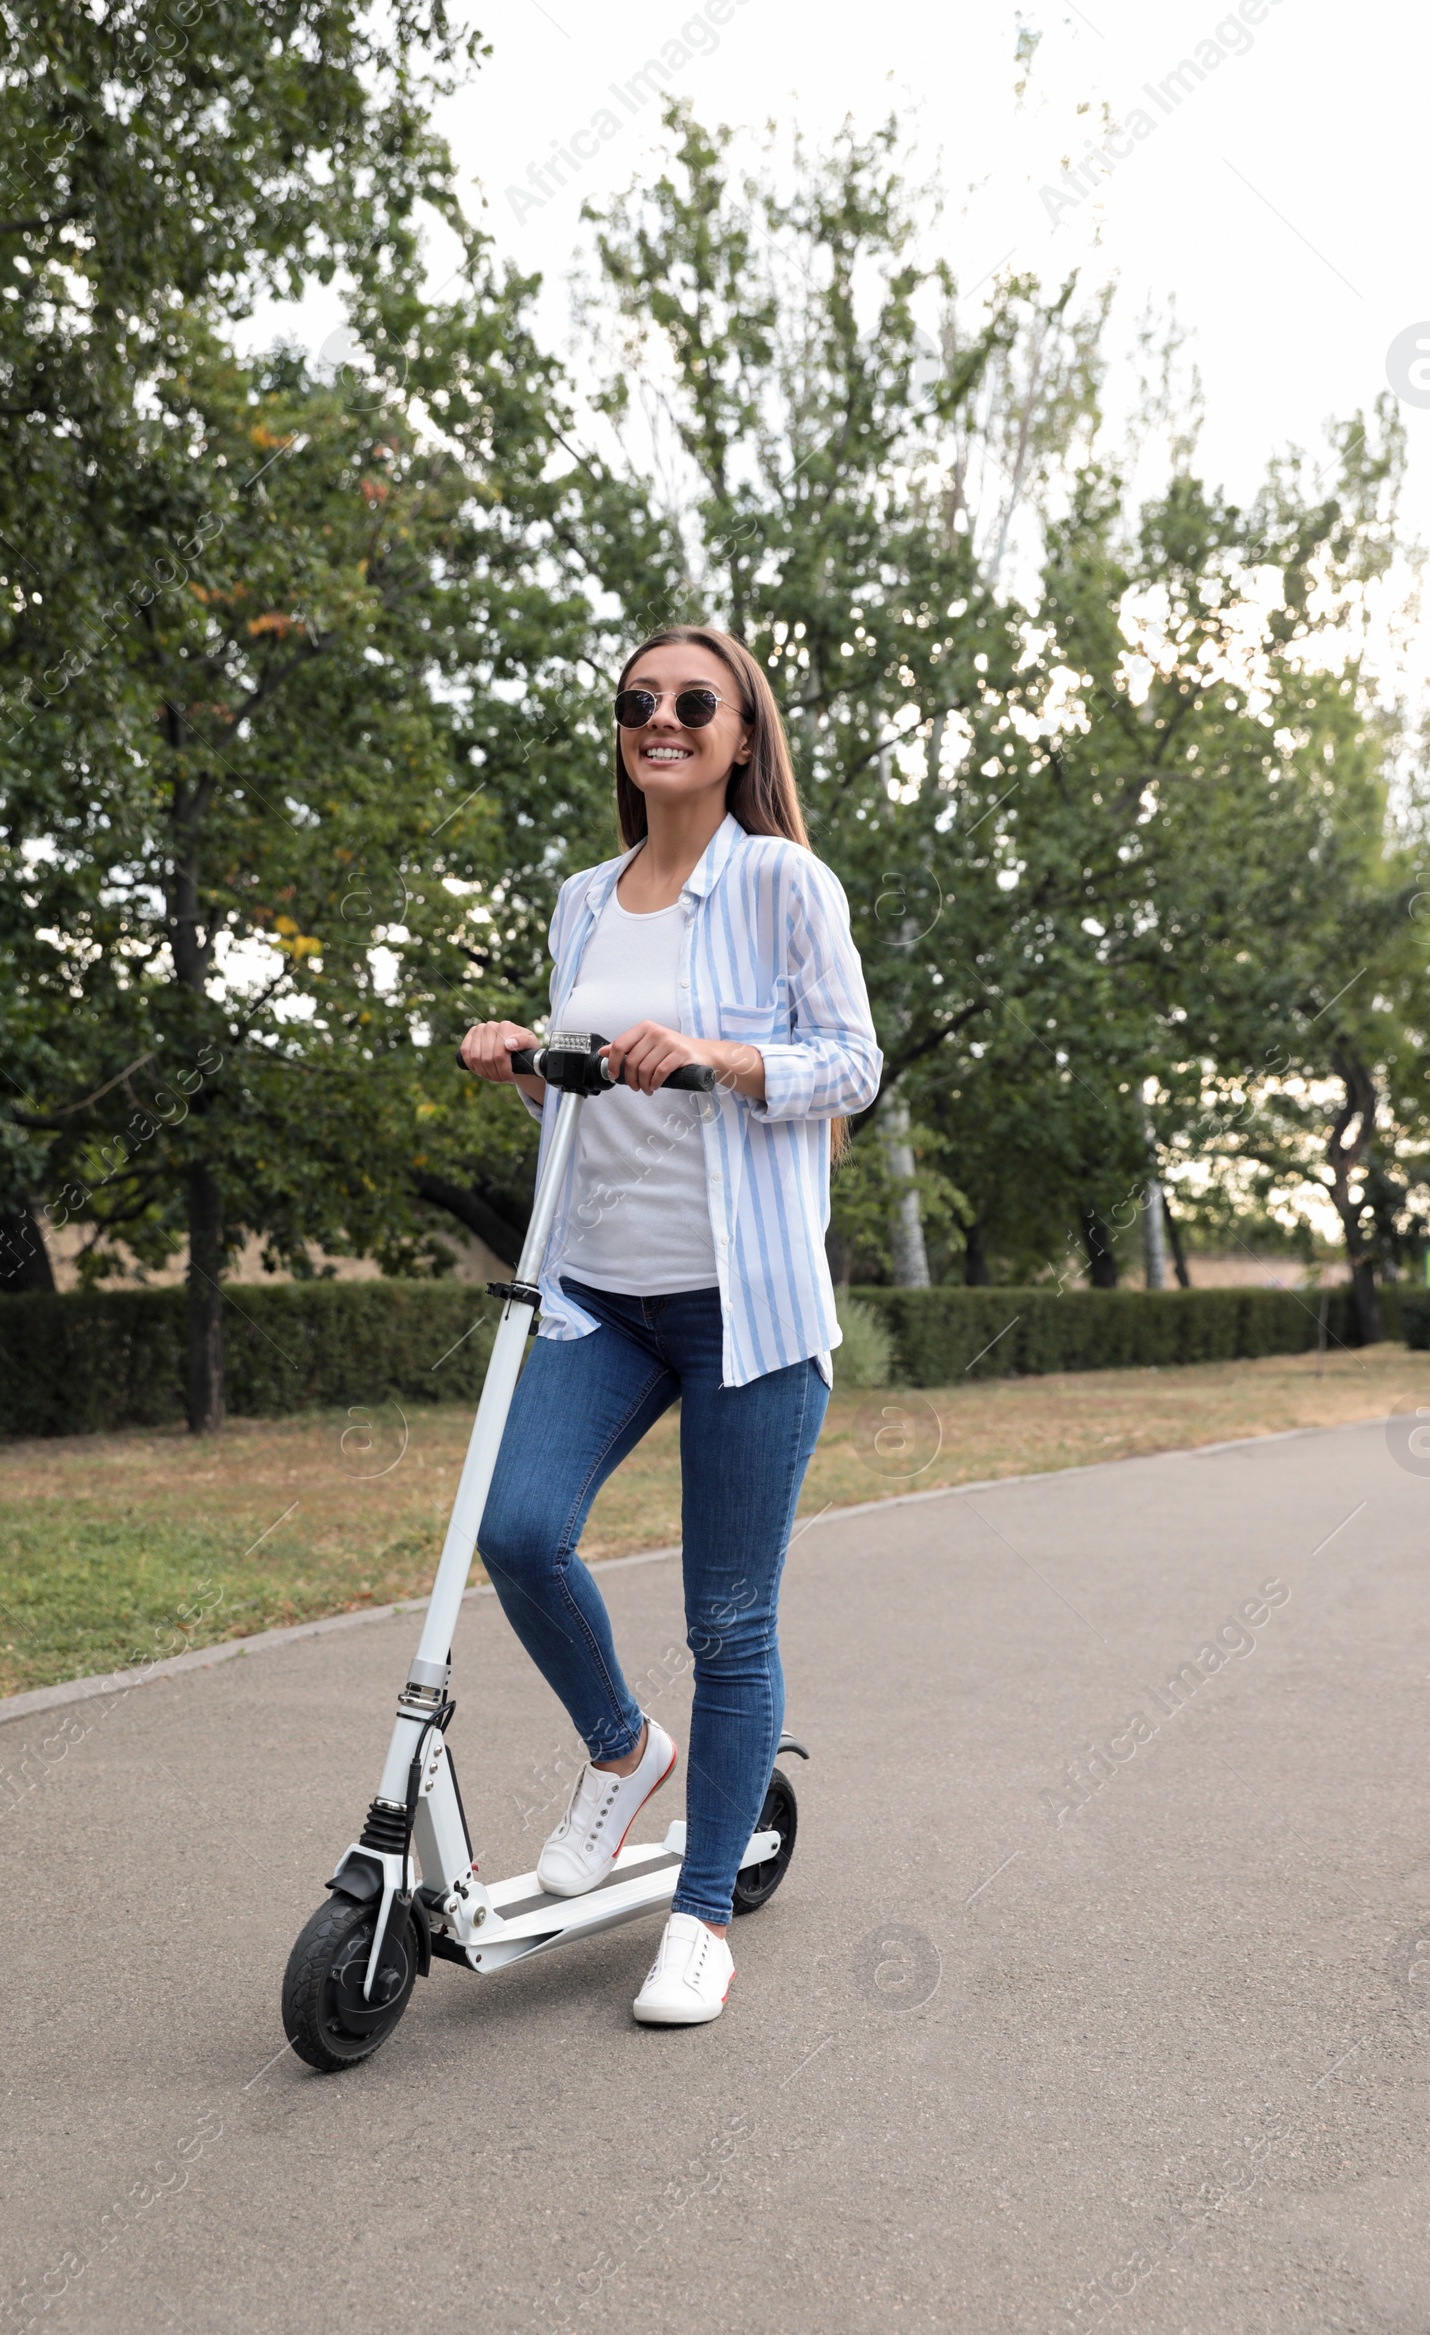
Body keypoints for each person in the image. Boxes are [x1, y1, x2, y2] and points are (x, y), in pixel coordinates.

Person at [460, 623, 881, 2025]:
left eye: (694, 702)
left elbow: (852, 1066)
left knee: (728, 1619)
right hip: (603, 1293)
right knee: (517, 1531)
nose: (662, 718)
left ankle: (704, 1913)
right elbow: (589, 1083)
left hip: (746, 1309)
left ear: (743, 734)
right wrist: (524, 1058)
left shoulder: (781, 884)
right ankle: (621, 1749)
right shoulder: (586, 897)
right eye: (639, 701)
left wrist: (721, 1057)